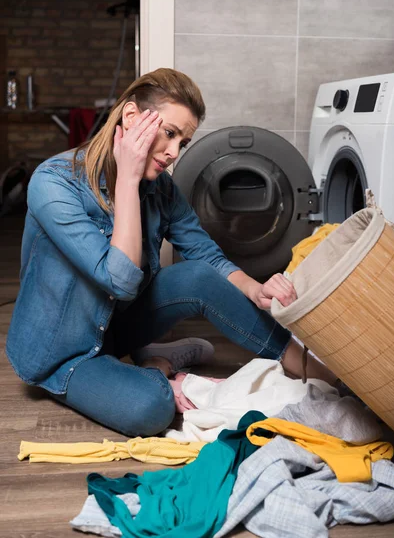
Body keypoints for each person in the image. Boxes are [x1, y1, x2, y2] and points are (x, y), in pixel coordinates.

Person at [6, 68, 336, 437]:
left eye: (183, 141)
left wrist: (253, 289)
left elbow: (205, 256)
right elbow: (120, 279)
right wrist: (128, 180)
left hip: (115, 326)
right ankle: (155, 365)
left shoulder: (160, 188)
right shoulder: (54, 184)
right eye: (170, 133)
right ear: (131, 118)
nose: (174, 153)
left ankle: (314, 370)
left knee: (198, 276)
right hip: (63, 351)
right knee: (152, 408)